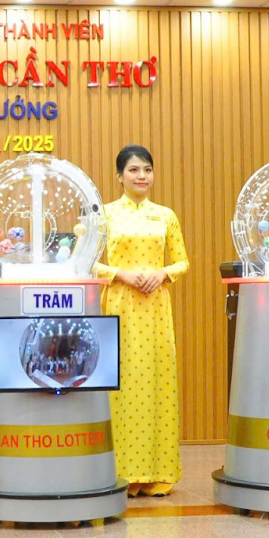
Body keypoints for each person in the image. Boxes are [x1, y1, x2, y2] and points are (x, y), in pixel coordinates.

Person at [93, 145, 190, 497]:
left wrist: (162, 273)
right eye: (133, 170)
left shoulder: (165, 216)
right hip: (119, 304)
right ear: (119, 176)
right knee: (121, 383)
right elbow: (86, 260)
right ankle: (121, 472)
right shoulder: (103, 215)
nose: (142, 176)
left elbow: (183, 262)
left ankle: (158, 472)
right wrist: (121, 274)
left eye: (147, 169)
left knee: (157, 381)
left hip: (156, 308)